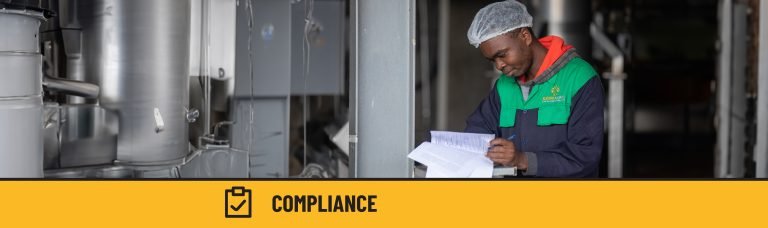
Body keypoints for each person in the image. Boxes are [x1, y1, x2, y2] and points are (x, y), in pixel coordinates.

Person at [464, 0, 604, 177]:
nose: (499, 65)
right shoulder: (504, 86)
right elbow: (478, 129)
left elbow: (585, 157)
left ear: (525, 36)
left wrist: (523, 160)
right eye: (492, 60)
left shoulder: (579, 78)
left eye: (502, 54)